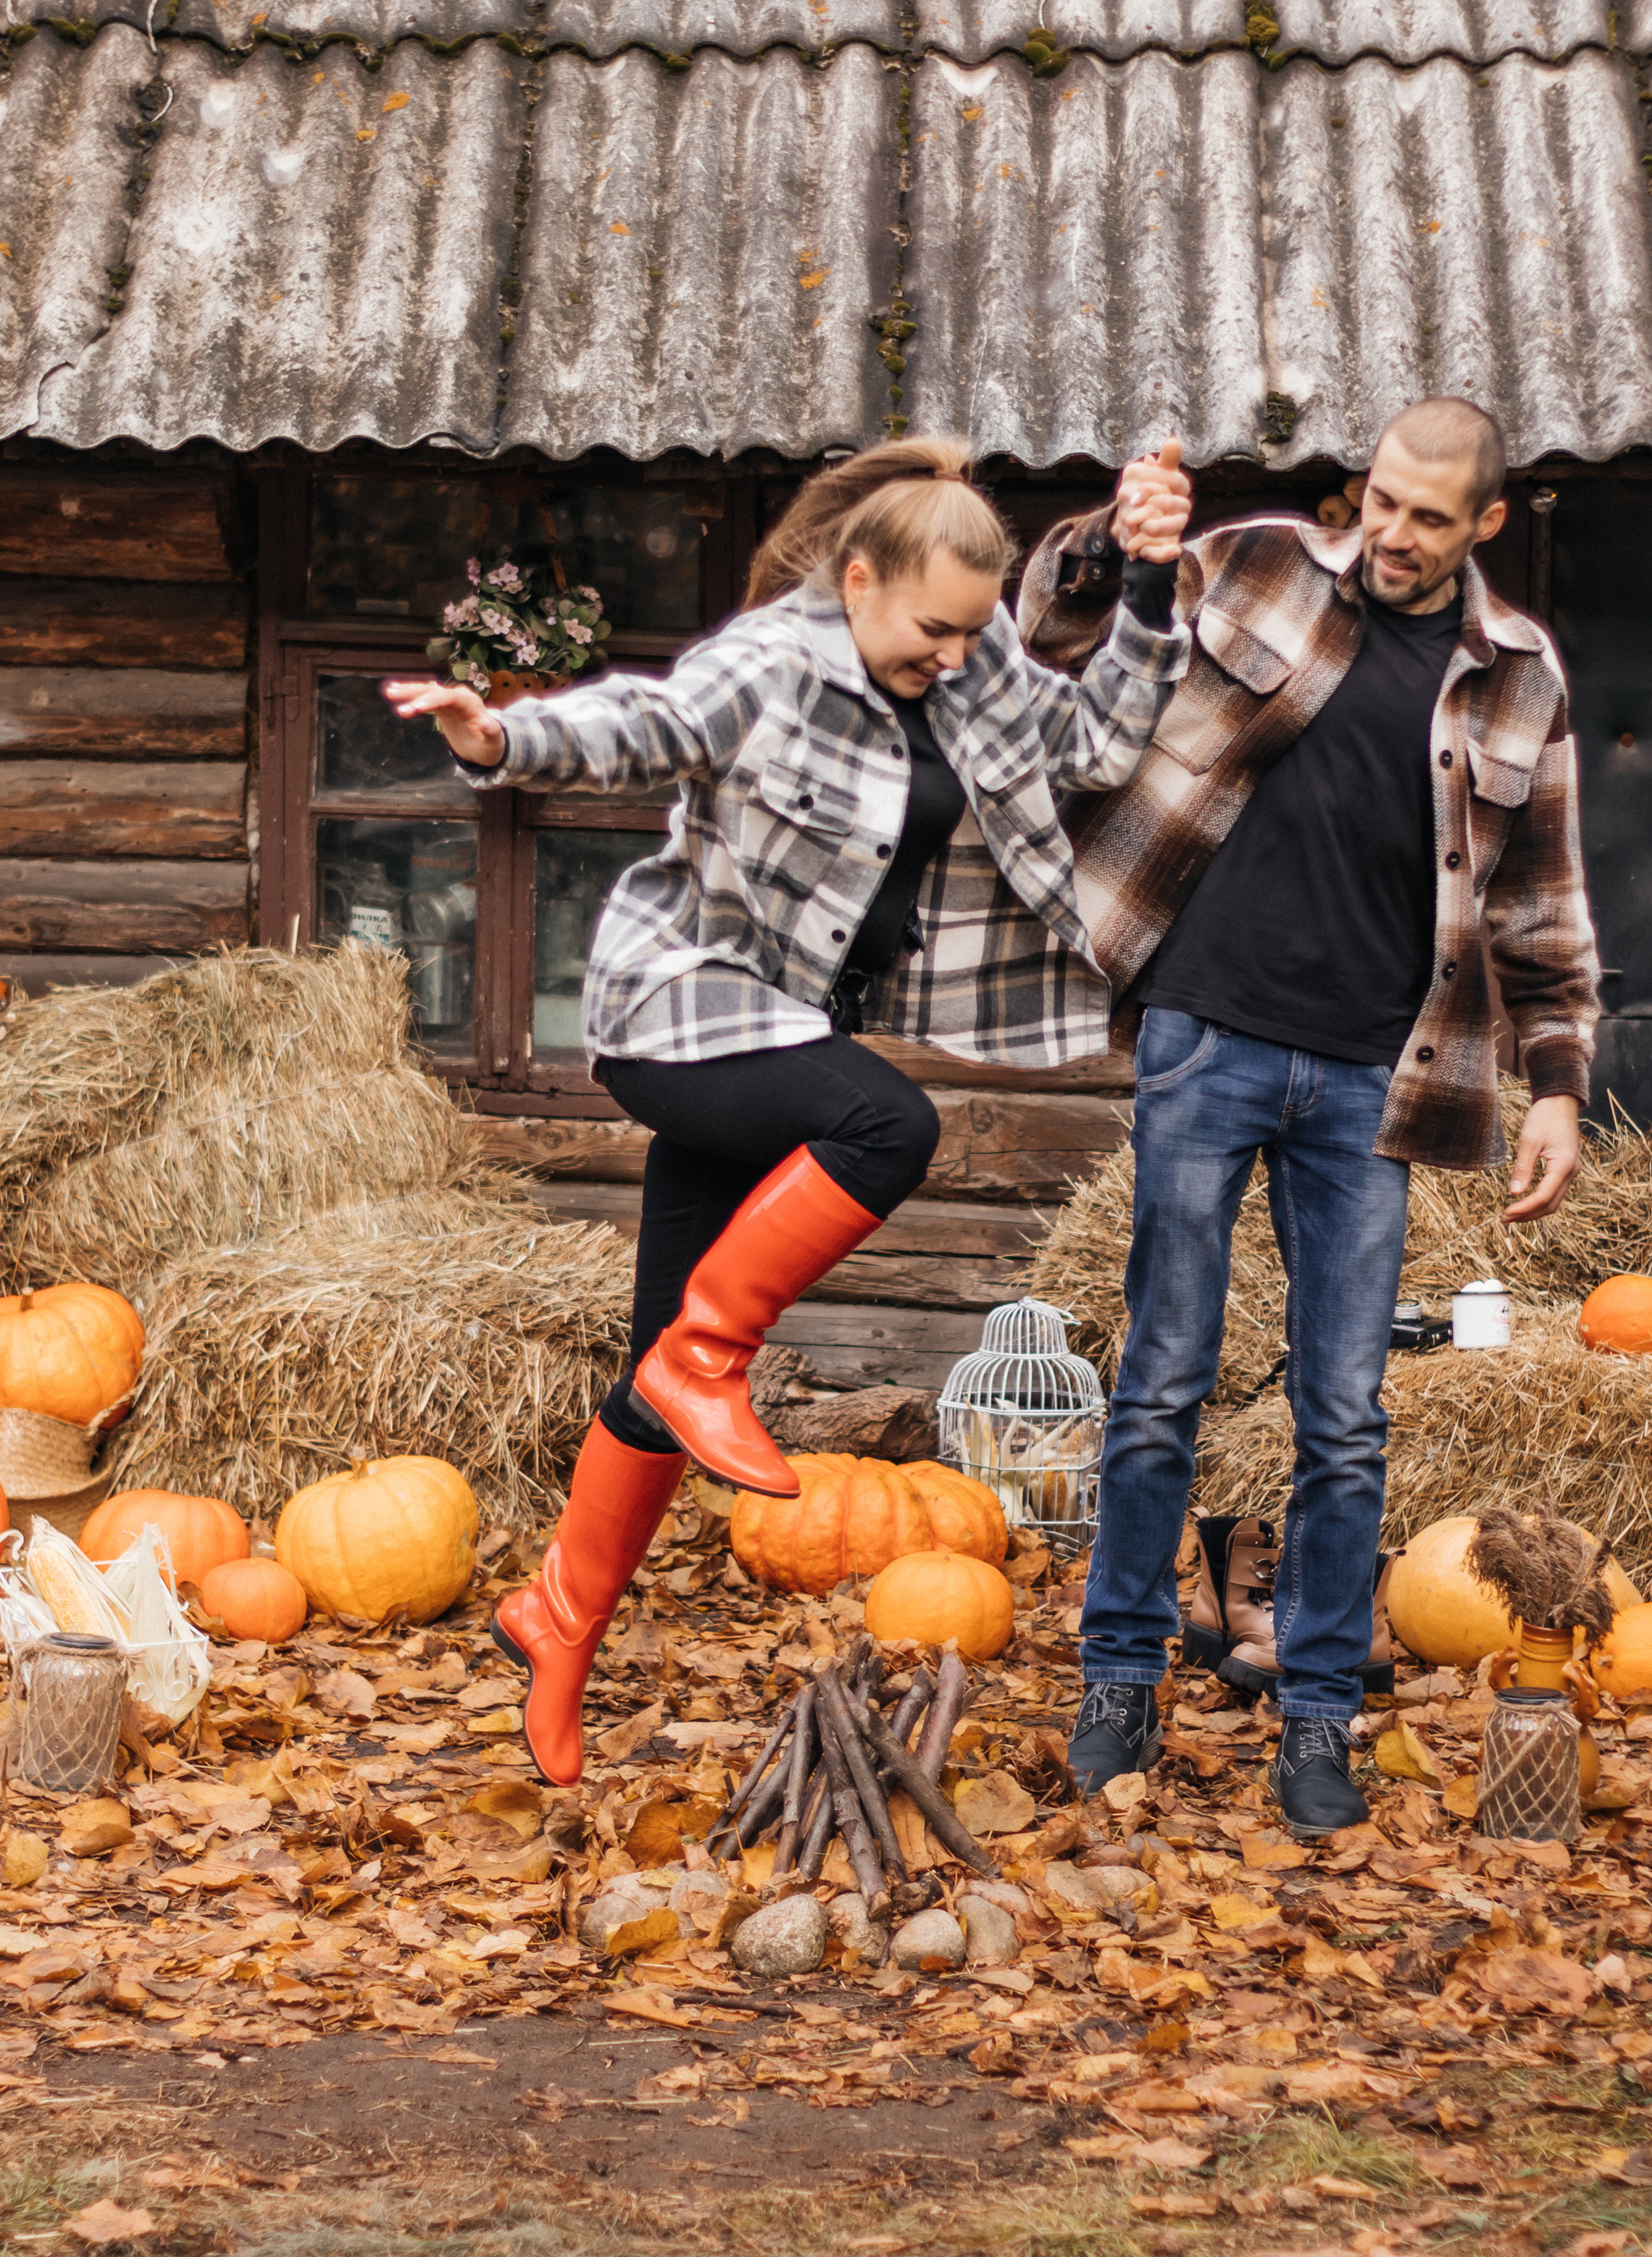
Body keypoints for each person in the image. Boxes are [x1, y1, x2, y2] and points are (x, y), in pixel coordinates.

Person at [386, 438, 1192, 1785]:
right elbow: (641, 721)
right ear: (858, 578)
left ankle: (558, 1622)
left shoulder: (976, 669)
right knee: (890, 1127)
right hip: (680, 1011)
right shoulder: (769, 662)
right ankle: (713, 1368)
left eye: (968, 632)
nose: (949, 653)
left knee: (650, 1367)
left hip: (785, 1030)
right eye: (929, 627)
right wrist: (500, 735)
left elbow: (1103, 737)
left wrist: (1152, 589)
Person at [1017, 398, 1600, 1835]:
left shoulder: (1517, 679)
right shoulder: (1259, 567)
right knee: (1162, 1373)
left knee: (1343, 1412)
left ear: (1481, 523)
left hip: (1369, 1078)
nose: (1388, 534)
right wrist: (1112, 544)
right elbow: (1060, 625)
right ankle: (1119, 1679)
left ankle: (1319, 1711)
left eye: (1423, 514)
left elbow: (1537, 905)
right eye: (1377, 500)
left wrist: (1556, 1086)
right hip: (1205, 1033)